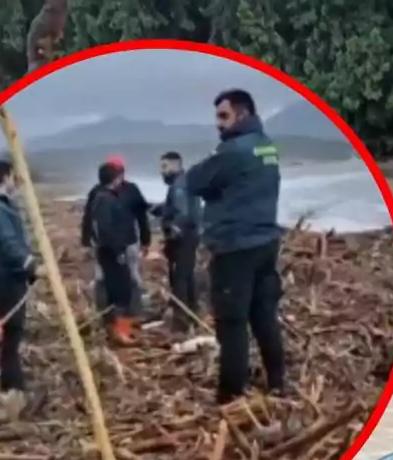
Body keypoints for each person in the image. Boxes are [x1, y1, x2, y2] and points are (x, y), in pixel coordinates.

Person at [185, 88, 285, 404]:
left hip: (235, 247)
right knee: (264, 316)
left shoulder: (232, 152)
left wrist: (216, 192)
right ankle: (279, 382)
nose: (218, 123)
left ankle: (231, 395)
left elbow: (194, 181)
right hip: (266, 241)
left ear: (242, 114)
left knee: (232, 322)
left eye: (223, 116)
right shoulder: (266, 147)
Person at [0, 159, 37, 396]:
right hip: (4, 277)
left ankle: (11, 379)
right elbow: (7, 242)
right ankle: (12, 384)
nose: (15, 182)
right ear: (5, 177)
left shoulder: (3, 205)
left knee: (14, 328)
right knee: (12, 328)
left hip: (12, 275)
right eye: (13, 177)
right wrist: (28, 263)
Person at [80, 156, 151, 317]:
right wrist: (86, 242)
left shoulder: (132, 189)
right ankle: (105, 314)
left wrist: (145, 240)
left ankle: (133, 314)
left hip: (129, 243)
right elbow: (88, 218)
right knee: (102, 278)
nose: (120, 175)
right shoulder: (98, 193)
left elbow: (142, 216)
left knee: (132, 278)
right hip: (106, 246)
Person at [86, 162, 139, 345]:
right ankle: (120, 333)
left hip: (111, 251)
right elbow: (104, 230)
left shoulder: (103, 197)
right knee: (121, 293)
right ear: (115, 178)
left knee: (118, 292)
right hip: (111, 253)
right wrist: (118, 251)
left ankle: (117, 331)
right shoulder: (105, 200)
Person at [152, 151, 202, 331]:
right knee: (187, 276)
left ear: (176, 165)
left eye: (165, 166)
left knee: (179, 278)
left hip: (184, 239)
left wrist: (173, 232)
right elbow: (175, 207)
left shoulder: (179, 185)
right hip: (191, 236)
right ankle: (193, 315)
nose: (162, 171)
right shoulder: (184, 182)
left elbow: (183, 213)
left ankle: (181, 323)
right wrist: (158, 209)